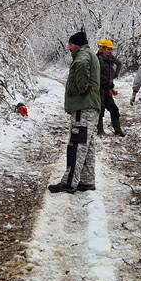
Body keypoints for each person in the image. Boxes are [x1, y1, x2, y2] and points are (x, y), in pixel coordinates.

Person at [49, 31, 101, 194]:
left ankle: (69, 183)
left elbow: (81, 81)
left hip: (83, 108)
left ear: (76, 44)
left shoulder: (82, 58)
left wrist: (76, 89)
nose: (68, 47)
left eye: (70, 44)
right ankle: (86, 180)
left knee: (77, 145)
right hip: (91, 106)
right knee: (88, 145)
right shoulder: (90, 55)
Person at [96, 38, 125, 137]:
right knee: (100, 110)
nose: (110, 52)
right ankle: (99, 130)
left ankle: (118, 130)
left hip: (107, 90)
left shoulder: (109, 61)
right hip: (98, 90)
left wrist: (111, 87)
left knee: (114, 109)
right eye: (108, 49)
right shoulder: (96, 60)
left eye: (111, 50)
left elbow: (118, 64)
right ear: (102, 49)